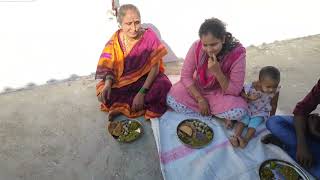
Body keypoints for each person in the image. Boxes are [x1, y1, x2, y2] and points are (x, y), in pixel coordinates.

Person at [95, 4, 172, 121]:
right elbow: (109, 67)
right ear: (120, 24)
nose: (134, 28)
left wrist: (142, 92)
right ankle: (126, 106)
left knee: (163, 85)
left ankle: (123, 106)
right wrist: (107, 85)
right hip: (123, 81)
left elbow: (155, 69)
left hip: (146, 79)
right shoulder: (115, 40)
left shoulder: (149, 36)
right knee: (105, 94)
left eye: (137, 22)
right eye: (128, 24)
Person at [166, 18, 247, 128]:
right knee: (171, 97)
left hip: (219, 92)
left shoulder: (237, 54)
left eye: (213, 44)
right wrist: (200, 98)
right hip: (197, 88)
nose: (209, 50)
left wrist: (218, 72)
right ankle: (216, 115)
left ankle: (208, 113)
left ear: (223, 39)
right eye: (205, 45)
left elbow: (235, 90)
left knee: (239, 110)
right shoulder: (196, 46)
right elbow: (185, 76)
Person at [262, 78, 320, 178]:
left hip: (316, 134)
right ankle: (298, 149)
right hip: (314, 130)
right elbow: (302, 109)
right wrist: (302, 145)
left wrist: (315, 132)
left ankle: (286, 146)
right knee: (274, 122)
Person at [229, 66, 280, 148]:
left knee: (253, 126)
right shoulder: (253, 86)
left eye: (275, 86)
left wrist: (271, 118)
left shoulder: (275, 92)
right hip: (249, 107)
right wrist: (248, 97)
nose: (271, 90)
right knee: (242, 121)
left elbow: (274, 105)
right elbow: (240, 92)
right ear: (260, 82)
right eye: (268, 87)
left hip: (261, 111)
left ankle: (245, 140)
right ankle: (236, 137)